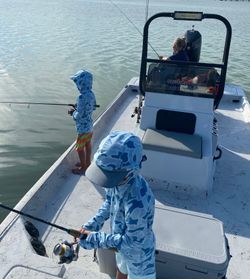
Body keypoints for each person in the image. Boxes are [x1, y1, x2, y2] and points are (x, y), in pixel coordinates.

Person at [78, 131, 156, 279]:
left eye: (110, 176)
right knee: (121, 268)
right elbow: (110, 201)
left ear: (131, 170)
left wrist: (95, 239)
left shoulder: (138, 203)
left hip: (139, 256)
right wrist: (93, 224)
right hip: (119, 245)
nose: (107, 180)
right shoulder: (118, 181)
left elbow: (131, 243)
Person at [69, 70, 96, 175]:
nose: (77, 86)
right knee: (88, 145)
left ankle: (83, 167)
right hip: (90, 127)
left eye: (77, 83)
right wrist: (78, 108)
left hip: (83, 129)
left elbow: (79, 115)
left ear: (81, 84)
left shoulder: (81, 97)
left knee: (79, 148)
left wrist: (73, 113)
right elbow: (92, 107)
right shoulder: (91, 94)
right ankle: (87, 163)